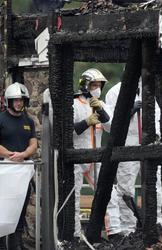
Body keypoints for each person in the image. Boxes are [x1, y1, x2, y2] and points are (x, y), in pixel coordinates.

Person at [105, 79, 162, 244]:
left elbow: (157, 115)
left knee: (156, 184)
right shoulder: (115, 92)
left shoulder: (147, 89)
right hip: (127, 143)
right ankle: (128, 229)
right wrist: (129, 111)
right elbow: (109, 123)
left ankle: (156, 223)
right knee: (126, 188)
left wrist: (156, 136)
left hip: (148, 143)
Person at [0, 82, 38, 250]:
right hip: (3, 174)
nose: (19, 103)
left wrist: (23, 155)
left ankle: (16, 246)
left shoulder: (28, 121)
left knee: (19, 213)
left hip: (22, 176)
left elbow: (33, 145)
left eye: (22, 100)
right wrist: (11, 155)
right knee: (2, 212)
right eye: (15, 100)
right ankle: (1, 248)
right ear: (8, 102)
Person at [73, 68, 111, 240]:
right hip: (77, 156)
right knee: (74, 198)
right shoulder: (74, 103)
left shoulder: (100, 104)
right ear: (85, 85)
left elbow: (111, 127)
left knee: (109, 193)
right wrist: (86, 122)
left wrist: (101, 111)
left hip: (95, 158)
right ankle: (74, 235)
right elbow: (67, 131)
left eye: (99, 85)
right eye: (94, 84)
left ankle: (114, 231)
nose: (97, 88)